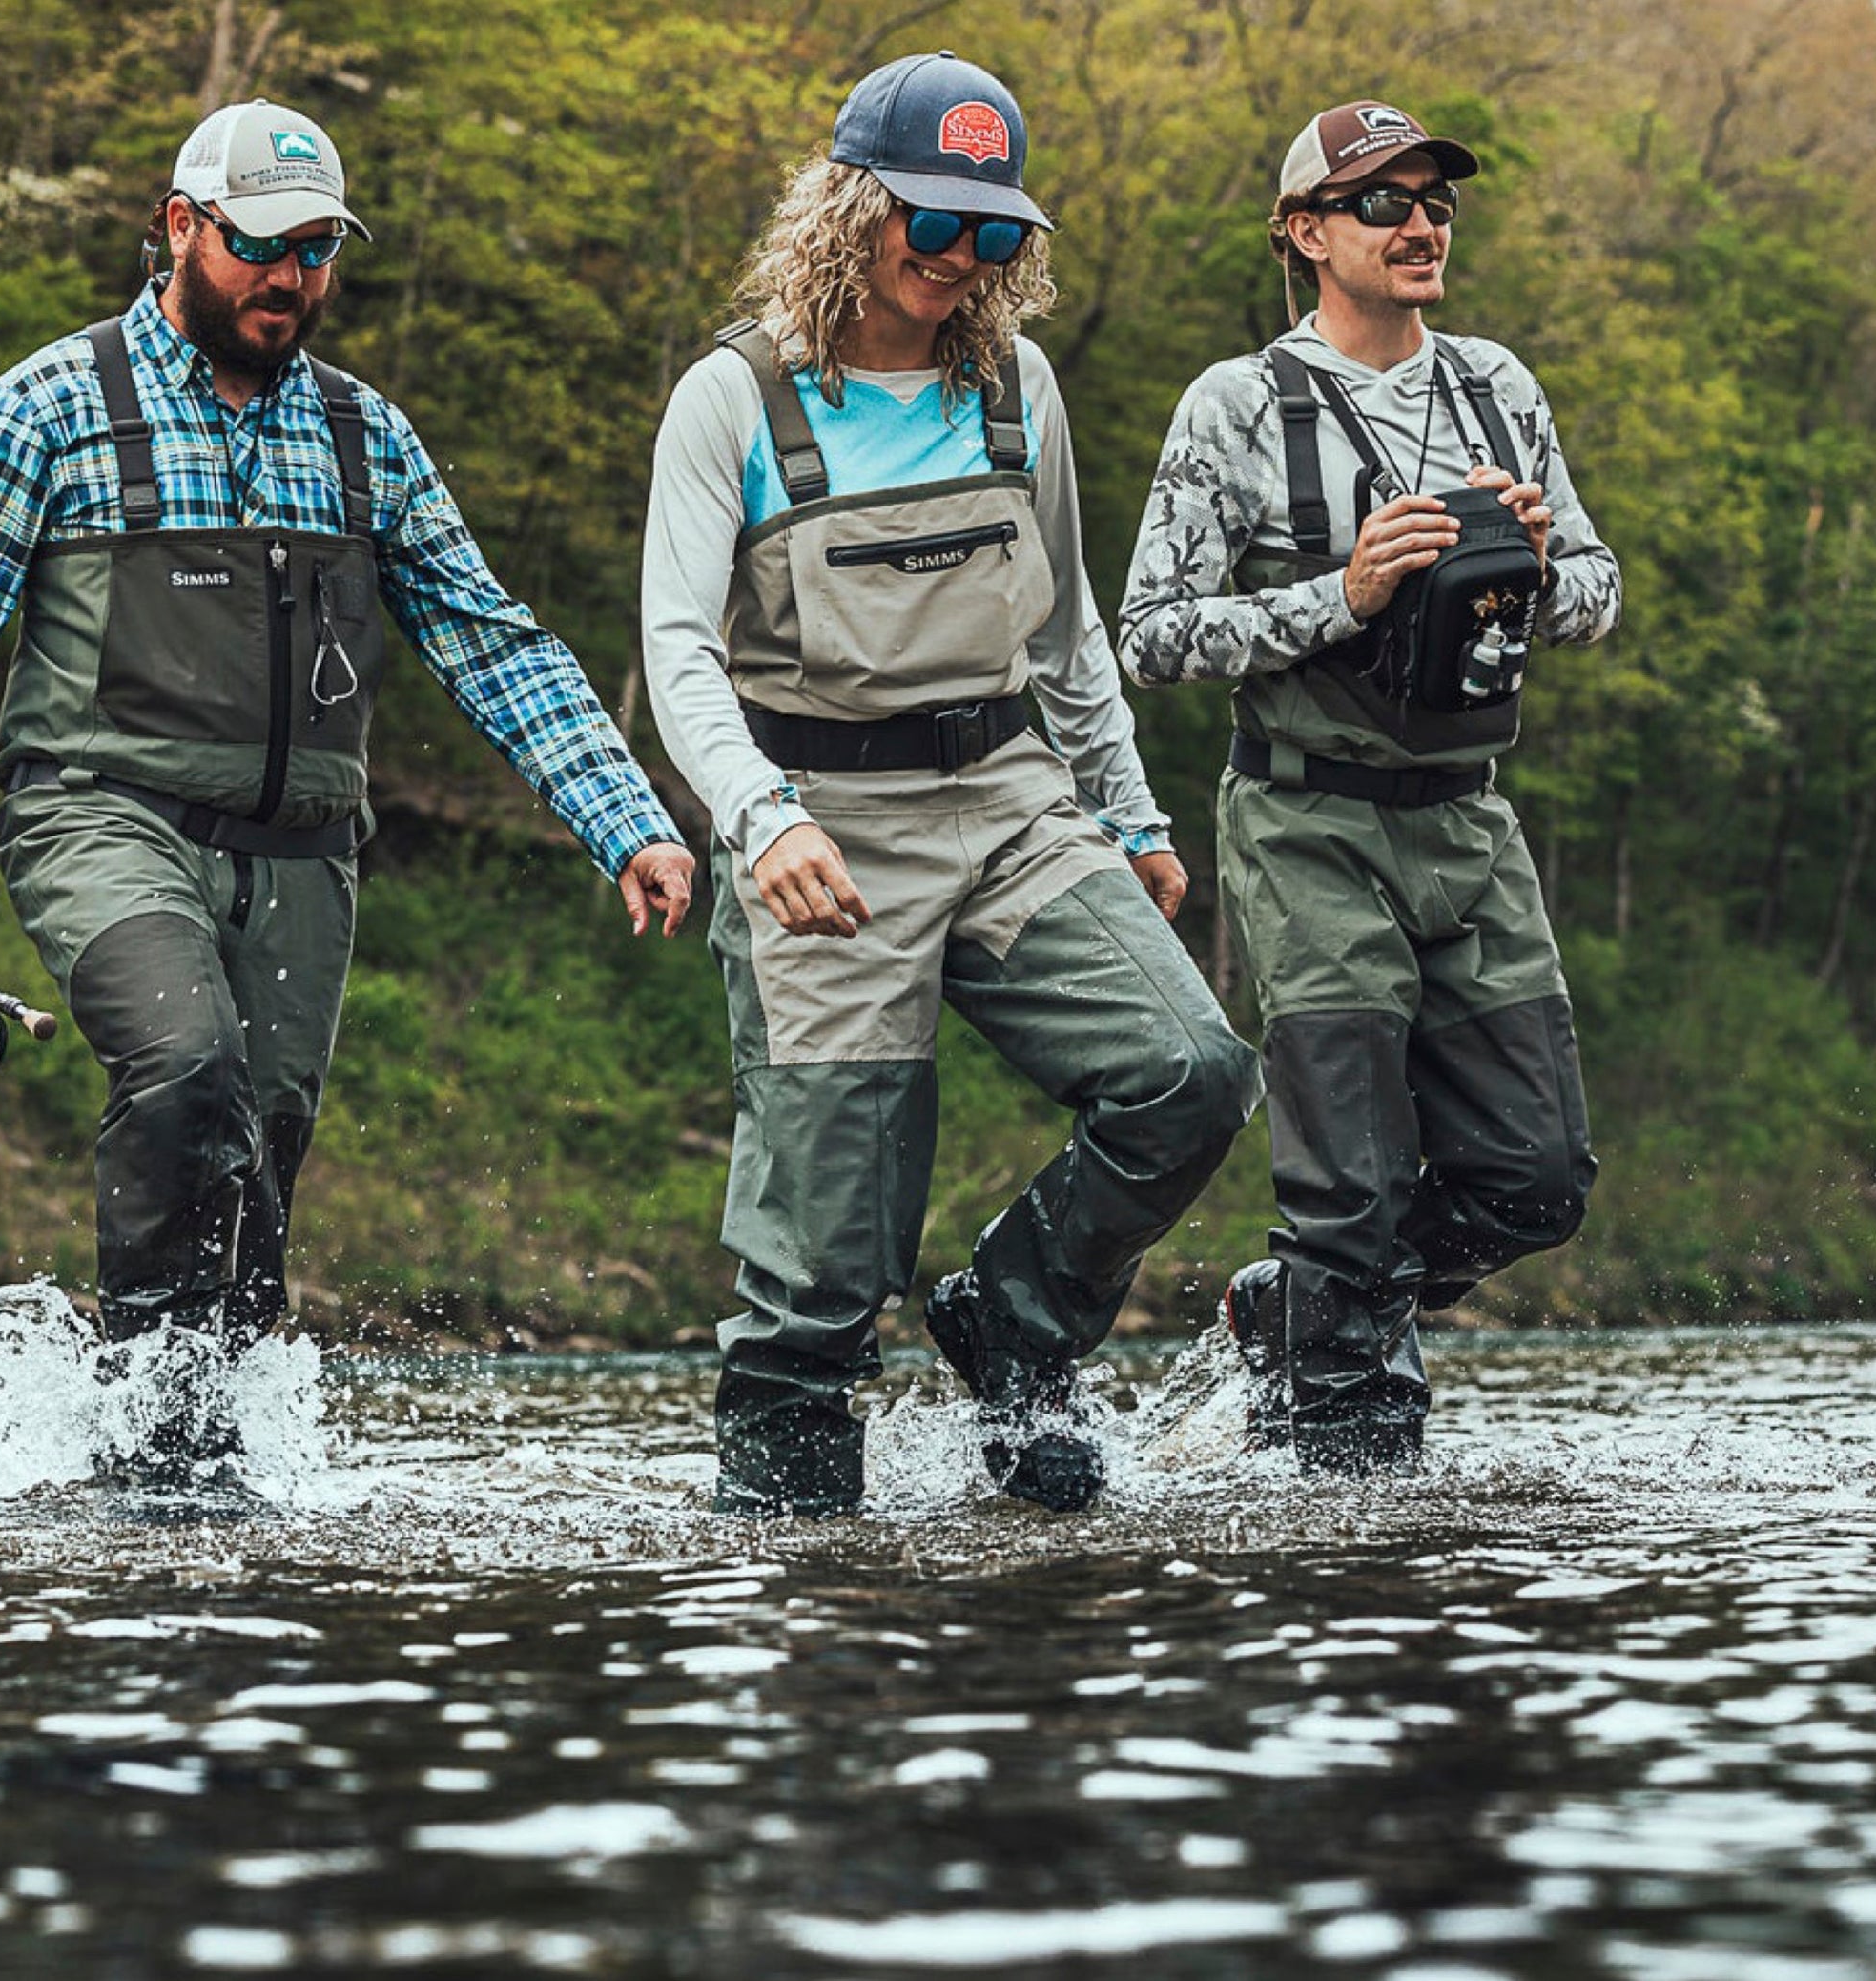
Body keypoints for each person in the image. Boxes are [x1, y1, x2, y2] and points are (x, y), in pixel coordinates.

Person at [0, 100, 695, 1484]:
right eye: (261, 246)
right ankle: (133, 1428)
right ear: (182, 227)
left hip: (301, 861)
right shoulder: (52, 404)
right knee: (186, 1067)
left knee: (259, 1164)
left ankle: (201, 1467)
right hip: (100, 817)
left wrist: (627, 820)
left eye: (318, 252)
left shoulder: (369, 439)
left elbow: (492, 643)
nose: (290, 278)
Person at [643, 52, 1261, 1518]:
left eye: (993, 232)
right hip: (821, 824)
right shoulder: (731, 400)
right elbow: (676, 649)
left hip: (1013, 801)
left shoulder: (1018, 385)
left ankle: (1015, 1329)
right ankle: (795, 1562)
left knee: (1192, 1073)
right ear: (848, 204)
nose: (956, 257)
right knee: (821, 1273)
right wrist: (758, 815)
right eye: (929, 219)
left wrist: (1132, 814)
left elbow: (1065, 631)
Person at [1115, 100, 1621, 1474]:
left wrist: (1527, 565)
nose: (1420, 224)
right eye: (1383, 203)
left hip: (1469, 823)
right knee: (1351, 1192)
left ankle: (1299, 1314)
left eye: (1436, 202)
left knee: (1538, 1180)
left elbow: (1599, 589)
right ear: (1305, 233)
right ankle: (1354, 1503)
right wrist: (1339, 596)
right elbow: (1151, 634)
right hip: (1304, 820)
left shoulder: (1500, 387)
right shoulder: (1238, 405)